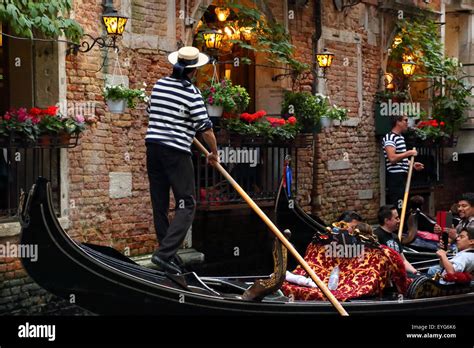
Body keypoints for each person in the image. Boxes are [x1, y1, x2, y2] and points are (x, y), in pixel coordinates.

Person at [146, 46, 219, 274]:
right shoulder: (192, 93)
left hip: (153, 148)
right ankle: (164, 254)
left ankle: (166, 254)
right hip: (176, 152)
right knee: (187, 204)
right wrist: (213, 153)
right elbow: (206, 129)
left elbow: (152, 110)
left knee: (159, 202)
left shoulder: (159, 85)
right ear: (194, 70)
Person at [382, 115, 424, 209]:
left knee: (405, 204)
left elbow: (400, 159)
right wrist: (408, 153)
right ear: (398, 122)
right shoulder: (390, 137)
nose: (407, 122)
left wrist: (412, 164)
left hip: (402, 176)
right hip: (395, 177)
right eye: (405, 120)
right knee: (399, 205)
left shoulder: (400, 137)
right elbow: (392, 158)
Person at [374, 205, 419, 275]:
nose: (399, 220)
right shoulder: (376, 236)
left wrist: (415, 272)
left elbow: (403, 261)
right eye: (396, 218)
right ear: (387, 221)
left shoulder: (395, 237)